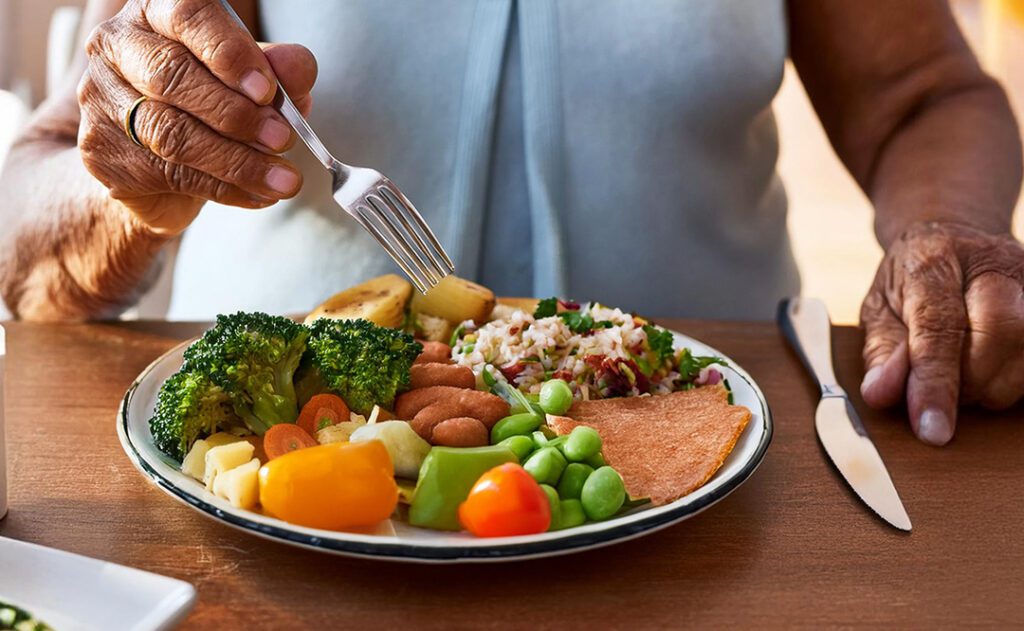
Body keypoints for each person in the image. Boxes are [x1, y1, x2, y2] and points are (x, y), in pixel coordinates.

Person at [0, 0, 1022, 447]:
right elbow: (26, 214)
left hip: (718, 479)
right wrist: (128, 184)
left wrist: (944, 234)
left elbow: (922, 95)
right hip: (289, 489)